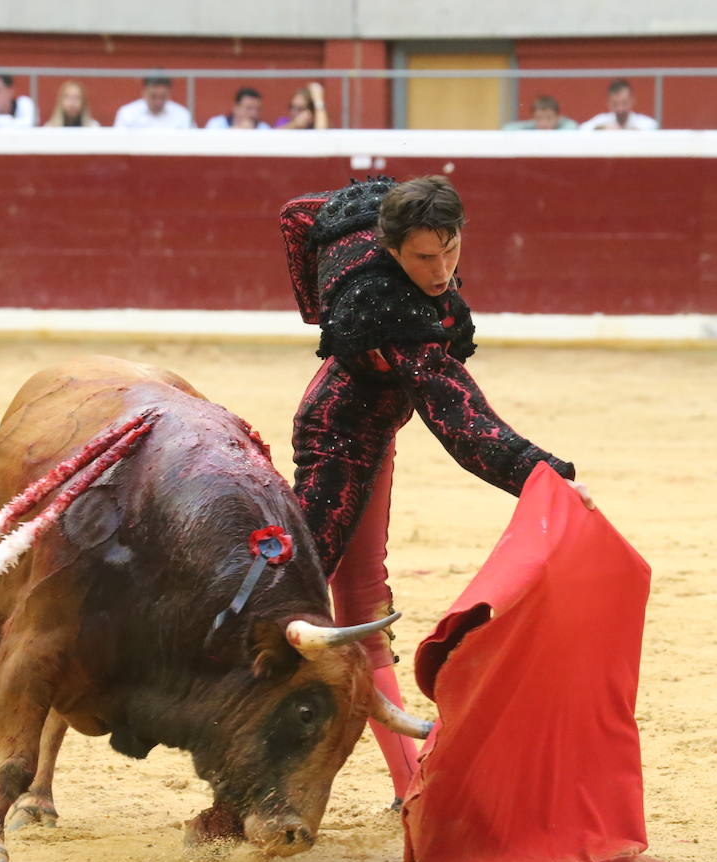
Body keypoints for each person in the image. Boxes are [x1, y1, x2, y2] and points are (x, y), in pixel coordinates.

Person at [278, 176, 591, 806]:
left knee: (362, 603)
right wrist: (543, 473)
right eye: (424, 258)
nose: (442, 270)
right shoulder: (387, 311)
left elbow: (298, 215)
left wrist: (320, 311)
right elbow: (459, 419)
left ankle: (409, 784)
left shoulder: (374, 219)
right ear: (391, 248)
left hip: (373, 427)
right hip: (338, 438)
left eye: (451, 251)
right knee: (289, 601)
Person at [113, 75, 194, 129]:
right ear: (144, 93)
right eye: (153, 96)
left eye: (162, 97)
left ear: (169, 94)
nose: (158, 101)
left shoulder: (182, 115)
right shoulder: (127, 113)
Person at [579, 79, 659, 130]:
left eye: (624, 103)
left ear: (632, 101)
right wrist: (601, 128)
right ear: (608, 103)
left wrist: (631, 131)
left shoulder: (643, 122)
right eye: (615, 104)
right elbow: (582, 129)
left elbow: (653, 126)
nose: (620, 109)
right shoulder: (603, 120)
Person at [204, 87, 271, 130]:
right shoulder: (217, 123)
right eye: (249, 108)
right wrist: (237, 130)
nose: (253, 113)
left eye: (257, 109)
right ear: (236, 108)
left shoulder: (263, 128)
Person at [502, 95, 577, 130]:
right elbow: (507, 128)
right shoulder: (532, 126)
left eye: (549, 118)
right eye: (539, 118)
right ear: (533, 118)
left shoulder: (567, 125)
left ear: (557, 118)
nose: (543, 123)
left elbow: (572, 126)